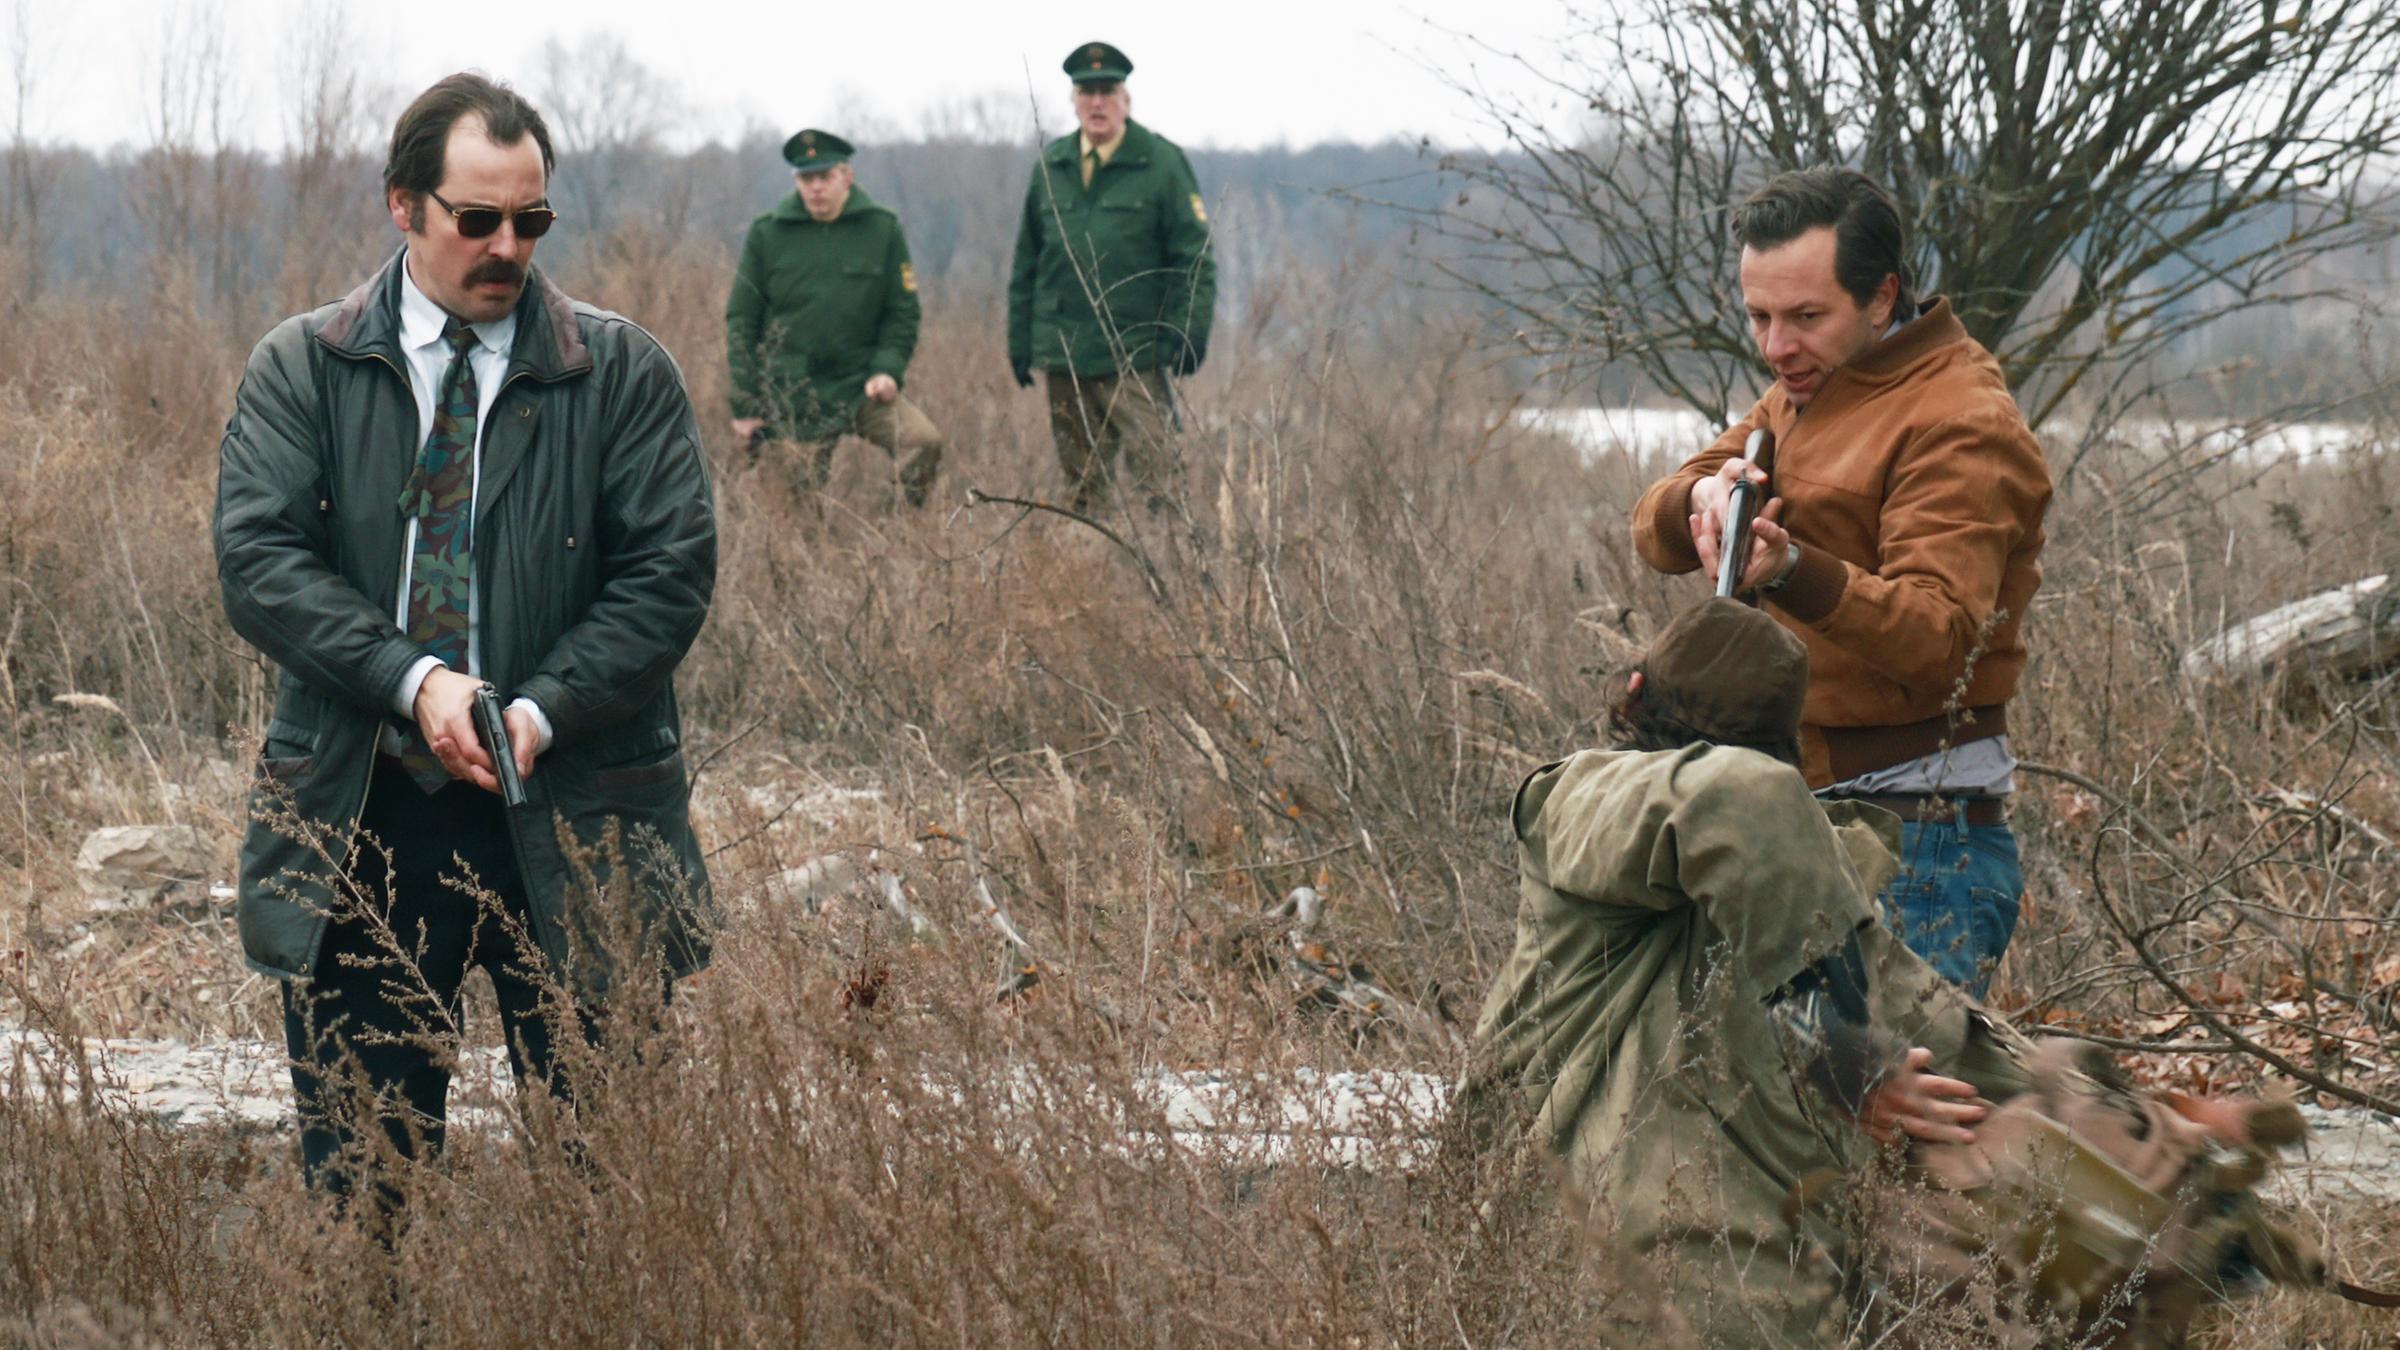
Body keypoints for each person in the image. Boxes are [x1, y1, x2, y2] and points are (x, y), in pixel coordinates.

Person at [1459, 600, 2315, 1345]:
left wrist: (2158, 1133)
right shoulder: (1599, 802)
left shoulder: (1809, 895)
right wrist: (1837, 1054)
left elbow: (1952, 1042)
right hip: (1580, 1274)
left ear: (1636, 697)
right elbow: (1733, 802)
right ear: (1788, 750)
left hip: (1713, 1295)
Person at [214, 73, 716, 1209]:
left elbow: (669, 578)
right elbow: (259, 564)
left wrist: (533, 712)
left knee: (617, 1193)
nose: (507, 246)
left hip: (583, 812)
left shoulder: (621, 372)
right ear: (403, 207)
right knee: (366, 1195)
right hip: (362, 815)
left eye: (531, 219)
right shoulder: (305, 365)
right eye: (475, 219)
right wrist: (414, 682)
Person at [1631, 167, 2052, 995]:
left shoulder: (1960, 419)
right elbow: (1654, 527)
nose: (1775, 345)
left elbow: (1942, 641)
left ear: (1881, 296)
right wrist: (1704, 496)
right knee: (1782, 1116)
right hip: (1800, 818)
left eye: (1805, 317)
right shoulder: (1808, 386)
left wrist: (1789, 568)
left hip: (1916, 843)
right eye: (1759, 316)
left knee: (1887, 1117)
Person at [1006, 41, 1216, 512]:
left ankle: (1165, 577)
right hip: (1066, 352)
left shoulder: (1161, 163)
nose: (1096, 102)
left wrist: (1190, 332)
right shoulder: (1052, 165)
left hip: (1135, 354)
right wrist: (1020, 341)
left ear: (1125, 99)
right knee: (1083, 490)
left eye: (1107, 90)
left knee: (1161, 480)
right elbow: (1026, 265)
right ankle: (1092, 578)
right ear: (1074, 100)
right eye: (1086, 92)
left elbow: (1195, 259)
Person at [727, 128, 941, 507]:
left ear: (847, 177)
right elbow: (742, 322)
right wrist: (747, 407)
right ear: (796, 181)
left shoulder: (881, 229)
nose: (817, 188)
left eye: (825, 177)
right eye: (807, 179)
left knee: (922, 442)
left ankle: (896, 529)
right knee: (795, 514)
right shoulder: (768, 233)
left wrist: (887, 370)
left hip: (861, 384)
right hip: (794, 392)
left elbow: (902, 313)